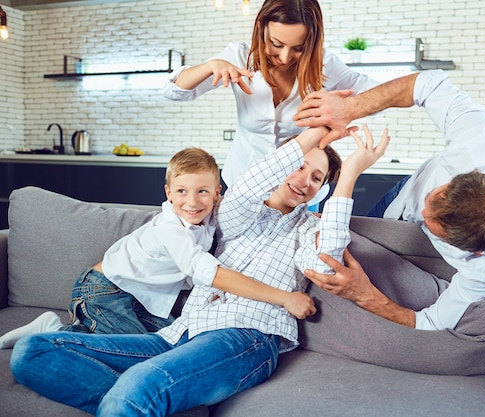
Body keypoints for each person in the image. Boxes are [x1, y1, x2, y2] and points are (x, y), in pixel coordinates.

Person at [10, 125, 390, 416]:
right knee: (33, 351)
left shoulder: (311, 228)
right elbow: (253, 183)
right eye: (300, 166)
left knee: (141, 386)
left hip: (246, 335)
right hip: (179, 333)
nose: (304, 180)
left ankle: (143, 403)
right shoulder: (236, 213)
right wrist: (318, 132)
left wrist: (352, 173)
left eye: (317, 177)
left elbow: (324, 259)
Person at [294, 69, 485, 331]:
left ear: (475, 252)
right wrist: (351, 107)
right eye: (435, 197)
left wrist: (363, 294)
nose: (423, 211)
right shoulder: (483, 141)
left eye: (434, 222)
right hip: (401, 197)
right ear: (466, 176)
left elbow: (430, 321)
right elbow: (427, 84)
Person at [0, 147, 315, 349]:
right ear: (168, 192)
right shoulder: (170, 227)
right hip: (105, 289)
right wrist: (284, 298)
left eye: (203, 191)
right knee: (141, 349)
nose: (192, 202)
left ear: (218, 192)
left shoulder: (212, 218)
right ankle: (51, 335)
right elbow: (205, 270)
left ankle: (59, 327)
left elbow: (244, 207)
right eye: (182, 191)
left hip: (140, 297)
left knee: (178, 337)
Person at [162, 0, 379, 195]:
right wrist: (210, 67)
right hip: (241, 185)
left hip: (297, 190)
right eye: (276, 44)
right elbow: (174, 91)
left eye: (298, 48)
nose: (285, 57)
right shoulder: (240, 56)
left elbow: (376, 91)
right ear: (261, 28)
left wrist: (345, 108)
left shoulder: (325, 65)